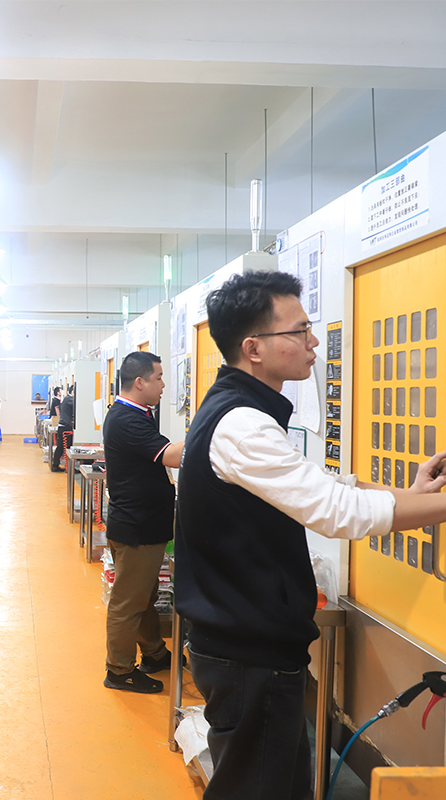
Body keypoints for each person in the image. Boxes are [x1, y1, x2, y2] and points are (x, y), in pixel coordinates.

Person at [175, 270, 446, 800]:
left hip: (247, 645)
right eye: (299, 331)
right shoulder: (242, 424)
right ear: (254, 348)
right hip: (247, 651)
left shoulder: (242, 412)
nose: (314, 342)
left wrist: (415, 495)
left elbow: (324, 484)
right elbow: (335, 511)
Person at [102, 352, 184, 693]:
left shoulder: (137, 414)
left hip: (145, 525)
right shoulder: (127, 419)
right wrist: (214, 428)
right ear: (140, 382)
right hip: (136, 528)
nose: (163, 385)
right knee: (128, 604)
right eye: (159, 378)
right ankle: (119, 671)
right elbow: (172, 456)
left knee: (143, 597)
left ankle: (154, 653)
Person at [51, 384, 75, 472]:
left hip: (63, 426)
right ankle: (60, 466)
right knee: (64, 447)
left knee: (60, 447)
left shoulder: (66, 399)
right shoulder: (69, 399)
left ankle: (56, 465)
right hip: (65, 427)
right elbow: (78, 405)